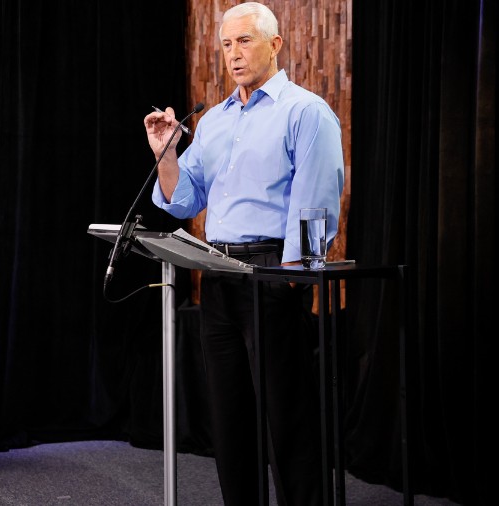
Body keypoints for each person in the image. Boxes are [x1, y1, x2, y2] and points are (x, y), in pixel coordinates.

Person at [144, 2, 344, 505]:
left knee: (289, 421)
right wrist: (166, 153)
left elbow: (315, 198)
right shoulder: (213, 121)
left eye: (245, 41)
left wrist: (293, 279)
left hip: (274, 275)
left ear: (275, 45)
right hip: (219, 276)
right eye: (226, 44)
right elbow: (183, 199)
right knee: (230, 422)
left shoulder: (304, 111)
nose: (233, 54)